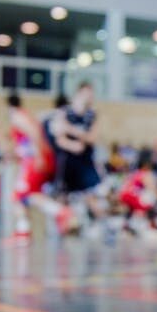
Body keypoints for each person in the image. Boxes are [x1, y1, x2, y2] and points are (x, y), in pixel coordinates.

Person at [49, 82, 112, 233]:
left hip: (85, 160)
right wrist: (73, 144)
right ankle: (62, 229)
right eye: (86, 93)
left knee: (91, 195)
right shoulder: (65, 112)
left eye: (91, 94)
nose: (89, 97)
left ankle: (105, 227)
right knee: (62, 196)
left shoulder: (92, 115)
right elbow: (59, 137)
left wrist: (74, 132)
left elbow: (92, 137)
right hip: (68, 160)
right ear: (78, 93)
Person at [7, 92, 57, 244]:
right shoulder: (24, 116)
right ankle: (23, 232)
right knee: (21, 196)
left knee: (22, 195)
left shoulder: (17, 116)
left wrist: (39, 155)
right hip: (31, 159)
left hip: (34, 160)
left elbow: (34, 134)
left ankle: (60, 211)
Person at [119, 149, 157, 236]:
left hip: (124, 195)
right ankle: (153, 224)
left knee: (132, 207)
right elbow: (153, 188)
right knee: (150, 202)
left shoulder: (136, 172)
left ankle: (126, 225)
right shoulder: (146, 174)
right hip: (131, 195)